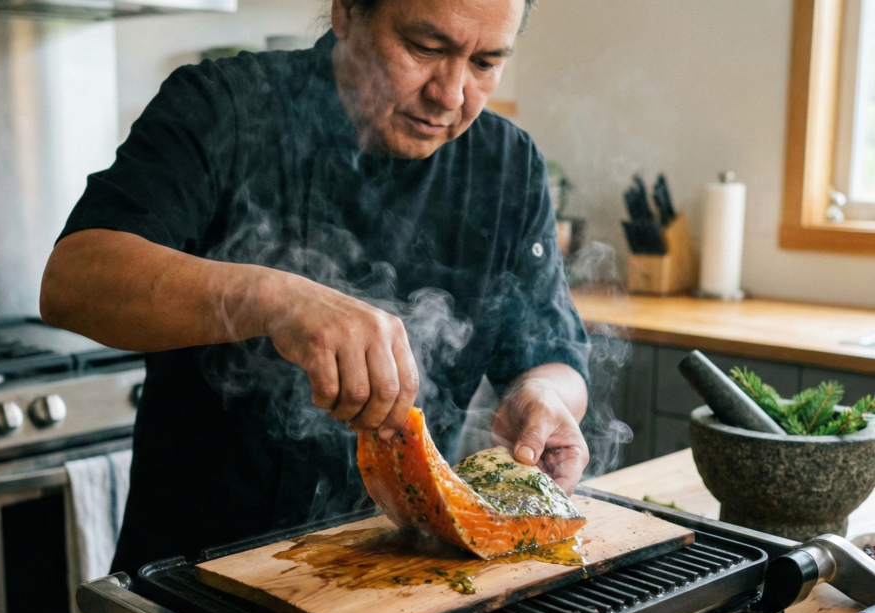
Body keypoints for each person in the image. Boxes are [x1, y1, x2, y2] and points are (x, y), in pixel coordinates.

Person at [41, 0, 591, 575]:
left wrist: (546, 398)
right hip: (194, 578)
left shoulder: (506, 166)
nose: (450, 95)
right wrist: (276, 300)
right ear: (347, 11)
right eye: (426, 49)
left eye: (485, 62)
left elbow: (551, 358)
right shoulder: (220, 105)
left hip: (403, 579)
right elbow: (74, 279)